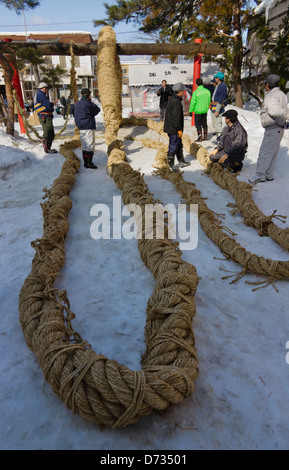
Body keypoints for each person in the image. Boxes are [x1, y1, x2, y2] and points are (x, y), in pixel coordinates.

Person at [248, 74, 288, 184]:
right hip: (278, 129)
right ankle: (269, 174)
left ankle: (260, 175)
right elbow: (285, 110)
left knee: (264, 153)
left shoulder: (271, 96)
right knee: (273, 153)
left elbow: (275, 112)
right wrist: (284, 122)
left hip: (273, 128)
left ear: (268, 84)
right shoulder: (281, 94)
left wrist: (281, 121)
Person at [164, 82, 190, 171]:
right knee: (173, 146)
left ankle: (181, 161)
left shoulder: (173, 99)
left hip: (172, 127)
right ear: (178, 91)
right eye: (183, 91)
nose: (184, 93)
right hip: (174, 129)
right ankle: (170, 165)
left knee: (179, 144)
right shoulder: (176, 102)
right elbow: (176, 117)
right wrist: (178, 129)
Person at [74, 88, 101, 169]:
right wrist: (91, 102)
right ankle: (89, 163)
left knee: (84, 145)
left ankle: (86, 162)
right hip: (88, 126)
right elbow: (97, 110)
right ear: (88, 95)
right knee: (90, 145)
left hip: (81, 127)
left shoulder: (77, 103)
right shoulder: (88, 104)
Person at [34, 82, 57, 154]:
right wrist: (51, 105)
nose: (47, 90)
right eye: (46, 88)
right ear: (43, 88)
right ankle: (47, 148)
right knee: (48, 131)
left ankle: (47, 147)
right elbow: (48, 106)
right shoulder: (41, 95)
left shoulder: (38, 94)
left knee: (48, 131)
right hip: (45, 116)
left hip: (43, 115)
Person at [189, 78, 211, 142]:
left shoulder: (196, 92)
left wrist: (191, 110)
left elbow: (193, 102)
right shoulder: (207, 91)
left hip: (198, 110)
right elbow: (209, 100)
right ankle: (205, 135)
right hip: (205, 110)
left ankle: (200, 136)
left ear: (196, 84)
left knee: (198, 124)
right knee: (204, 123)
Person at [210, 72, 228, 142]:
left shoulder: (222, 86)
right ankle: (218, 137)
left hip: (218, 107)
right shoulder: (219, 85)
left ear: (218, 79)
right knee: (215, 123)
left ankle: (220, 139)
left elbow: (220, 99)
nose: (215, 79)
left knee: (217, 123)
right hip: (214, 106)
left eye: (216, 77)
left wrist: (217, 110)